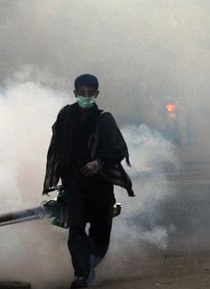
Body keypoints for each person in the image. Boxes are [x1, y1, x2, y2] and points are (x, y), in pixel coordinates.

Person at [42, 73, 135, 288]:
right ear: (75, 93)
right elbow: (56, 145)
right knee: (76, 228)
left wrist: (99, 163)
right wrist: (57, 175)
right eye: (82, 92)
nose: (86, 96)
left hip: (100, 184)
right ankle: (81, 275)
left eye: (90, 93)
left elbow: (118, 150)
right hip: (74, 182)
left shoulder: (105, 119)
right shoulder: (65, 115)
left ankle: (89, 263)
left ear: (96, 94)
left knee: (101, 231)